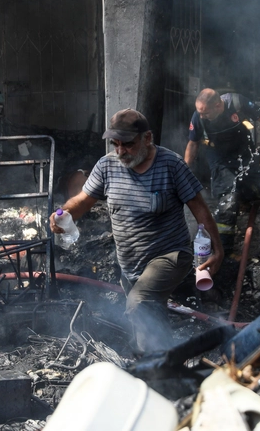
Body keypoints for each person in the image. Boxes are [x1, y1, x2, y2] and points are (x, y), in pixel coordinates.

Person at [49, 108, 224, 353]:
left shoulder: (171, 165)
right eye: (116, 144)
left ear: (147, 138)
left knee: (140, 303)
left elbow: (200, 208)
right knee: (147, 321)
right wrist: (63, 214)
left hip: (170, 255)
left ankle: (157, 370)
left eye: (128, 144)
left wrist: (217, 249)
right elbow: (83, 201)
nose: (121, 151)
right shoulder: (106, 166)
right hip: (130, 265)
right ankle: (168, 368)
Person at [184, 88, 260, 254]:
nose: (201, 116)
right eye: (199, 112)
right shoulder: (198, 118)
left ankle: (243, 194)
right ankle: (223, 252)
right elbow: (193, 145)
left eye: (205, 113)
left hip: (246, 154)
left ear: (218, 106)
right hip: (221, 162)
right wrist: (183, 172)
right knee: (228, 204)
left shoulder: (236, 102)